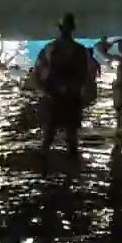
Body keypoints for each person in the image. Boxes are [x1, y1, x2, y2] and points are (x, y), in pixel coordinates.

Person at [36, 13, 90, 156]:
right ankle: (73, 166)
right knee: (71, 138)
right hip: (70, 96)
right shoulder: (79, 50)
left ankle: (44, 165)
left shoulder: (50, 48)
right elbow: (84, 75)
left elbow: (37, 73)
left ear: (60, 29)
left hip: (54, 97)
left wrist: (45, 91)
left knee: (49, 136)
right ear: (73, 28)